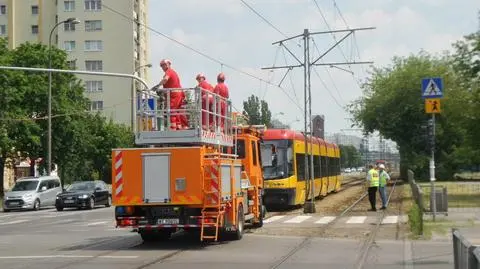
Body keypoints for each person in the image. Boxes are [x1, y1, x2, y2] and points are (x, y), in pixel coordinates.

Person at [156, 59, 188, 130]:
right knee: (176, 111)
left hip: (173, 94)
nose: (163, 67)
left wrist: (157, 85)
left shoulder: (169, 71)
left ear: (168, 64)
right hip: (178, 94)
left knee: (171, 110)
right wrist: (184, 96)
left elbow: (165, 80)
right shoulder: (174, 73)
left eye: (164, 65)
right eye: (162, 66)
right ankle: (179, 127)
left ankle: (173, 128)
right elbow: (178, 85)